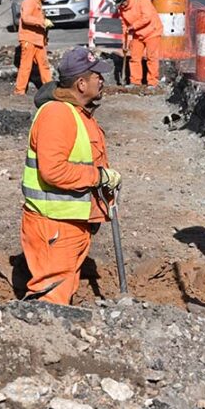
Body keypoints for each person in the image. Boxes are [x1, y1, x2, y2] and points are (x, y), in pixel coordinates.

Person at [20, 47, 122, 304]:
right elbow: (53, 170)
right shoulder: (58, 115)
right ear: (80, 83)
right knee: (51, 301)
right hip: (54, 224)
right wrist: (98, 178)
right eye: (97, 75)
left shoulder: (77, 113)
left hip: (70, 222)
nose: (102, 80)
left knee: (62, 294)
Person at [114, 0, 163, 87]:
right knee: (134, 57)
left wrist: (133, 26)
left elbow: (147, 17)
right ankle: (135, 81)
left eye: (123, 4)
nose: (122, 7)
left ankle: (152, 82)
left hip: (152, 31)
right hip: (138, 34)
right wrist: (125, 43)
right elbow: (124, 26)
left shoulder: (141, 0)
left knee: (151, 57)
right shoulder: (122, 9)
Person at [14, 0, 54, 95]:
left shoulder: (37, 1)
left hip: (38, 40)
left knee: (44, 65)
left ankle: (50, 89)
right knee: (26, 66)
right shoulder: (30, 0)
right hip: (29, 39)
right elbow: (26, 18)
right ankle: (19, 90)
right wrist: (42, 22)